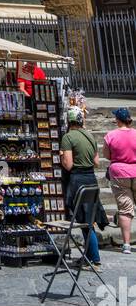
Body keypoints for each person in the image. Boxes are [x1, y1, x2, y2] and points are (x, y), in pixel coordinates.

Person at [61, 106, 107, 265]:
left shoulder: (68, 137)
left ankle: (95, 259)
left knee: (85, 222)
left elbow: (68, 165)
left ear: (69, 121)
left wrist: (61, 156)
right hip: (91, 179)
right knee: (88, 219)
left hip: (77, 180)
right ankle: (88, 257)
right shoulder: (89, 136)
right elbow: (96, 162)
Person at [103, 106, 136, 254]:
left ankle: (127, 245)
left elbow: (107, 156)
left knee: (125, 210)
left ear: (117, 120)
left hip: (119, 173)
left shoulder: (110, 135)